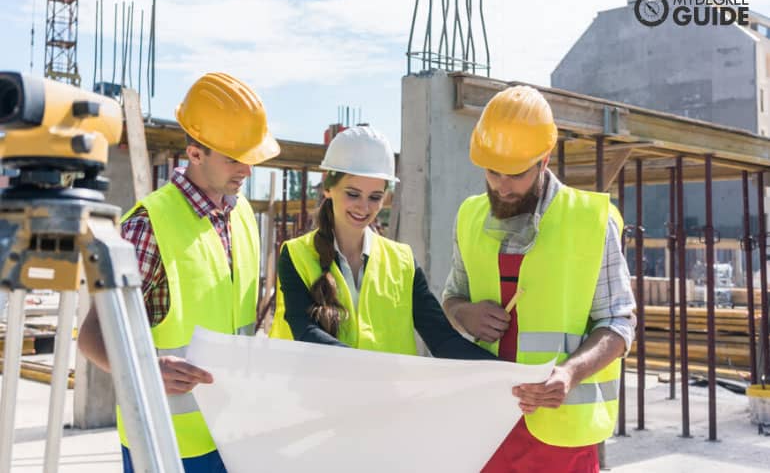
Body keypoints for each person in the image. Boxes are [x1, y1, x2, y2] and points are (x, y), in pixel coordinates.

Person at [78, 72, 280, 472]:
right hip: (164, 444)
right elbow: (91, 336)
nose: (246, 170)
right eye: (233, 158)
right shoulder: (148, 226)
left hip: (232, 432)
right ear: (195, 153)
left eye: (249, 158)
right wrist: (147, 369)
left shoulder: (239, 214)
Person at [441, 85, 637, 472]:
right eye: (492, 172)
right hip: (486, 426)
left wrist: (569, 373)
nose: (501, 185)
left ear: (544, 160)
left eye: (514, 174)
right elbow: (452, 297)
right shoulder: (469, 216)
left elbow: (619, 323)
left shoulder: (591, 220)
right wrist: (466, 313)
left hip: (561, 436)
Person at [270, 126, 495, 361]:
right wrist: (373, 368)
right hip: (318, 397)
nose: (364, 207)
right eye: (353, 194)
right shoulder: (296, 256)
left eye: (375, 197)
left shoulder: (403, 263)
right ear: (328, 187)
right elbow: (306, 333)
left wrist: (509, 372)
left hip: (389, 398)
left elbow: (443, 339)